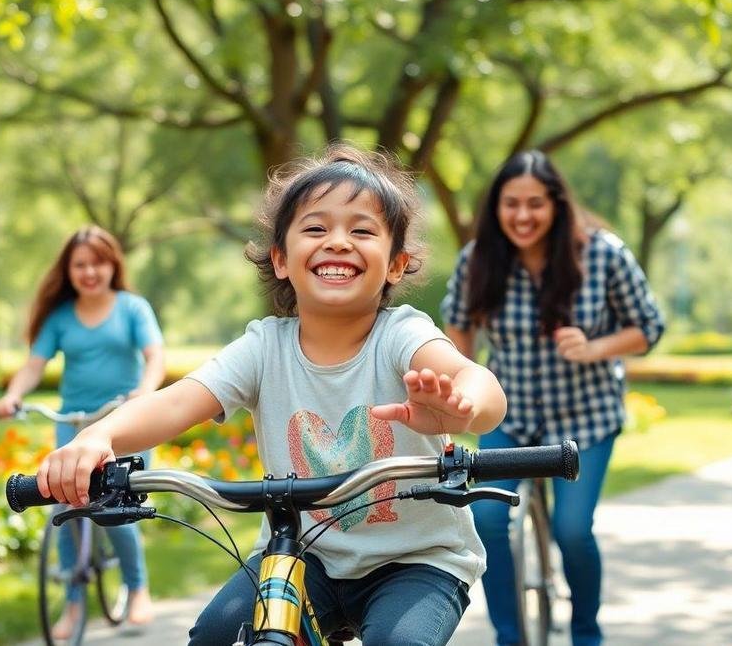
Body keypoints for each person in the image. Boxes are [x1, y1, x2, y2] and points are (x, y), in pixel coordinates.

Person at [35, 145, 508, 646]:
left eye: (362, 230)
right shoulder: (264, 347)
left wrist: (464, 406)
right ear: (281, 259)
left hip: (416, 560)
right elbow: (177, 402)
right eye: (316, 228)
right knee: (217, 635)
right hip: (301, 555)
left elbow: (479, 383)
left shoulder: (401, 336)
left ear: (396, 264)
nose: (339, 242)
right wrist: (99, 435)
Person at [440, 149, 665, 646]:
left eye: (536, 204)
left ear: (557, 205)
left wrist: (596, 347)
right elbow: (458, 325)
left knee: (572, 531)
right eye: (511, 204)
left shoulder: (603, 255)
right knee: (488, 518)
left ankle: (586, 633)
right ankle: (510, 637)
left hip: (586, 419)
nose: (523, 216)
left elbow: (649, 326)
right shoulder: (478, 259)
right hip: (510, 414)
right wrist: (463, 380)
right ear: (496, 207)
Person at [0, 225, 164, 634]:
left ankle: (137, 587)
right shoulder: (60, 318)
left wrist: (144, 391)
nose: (89, 272)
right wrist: (13, 394)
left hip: (124, 423)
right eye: (80, 264)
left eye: (98, 263)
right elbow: (35, 365)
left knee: (114, 508)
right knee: (63, 505)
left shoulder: (133, 308)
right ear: (68, 271)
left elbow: (155, 356)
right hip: (73, 424)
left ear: (113, 265)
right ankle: (71, 604)